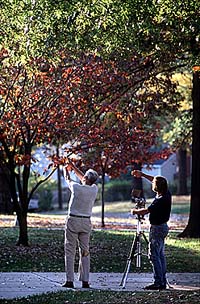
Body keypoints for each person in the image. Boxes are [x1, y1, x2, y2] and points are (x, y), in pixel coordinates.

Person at [131, 170, 171, 290]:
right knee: (160, 255)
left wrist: (134, 211)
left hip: (157, 228)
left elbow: (146, 211)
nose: (152, 183)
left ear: (157, 187)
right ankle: (162, 281)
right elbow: (155, 179)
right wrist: (142, 175)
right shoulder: (166, 193)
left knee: (154, 255)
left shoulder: (160, 200)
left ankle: (158, 282)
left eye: (154, 183)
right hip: (162, 227)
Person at [62, 159, 99, 289]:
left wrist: (65, 168)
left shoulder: (76, 187)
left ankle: (69, 280)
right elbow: (83, 177)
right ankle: (85, 280)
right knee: (85, 251)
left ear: (85, 178)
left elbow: (68, 178)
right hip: (86, 222)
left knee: (70, 250)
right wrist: (73, 166)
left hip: (73, 220)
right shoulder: (94, 189)